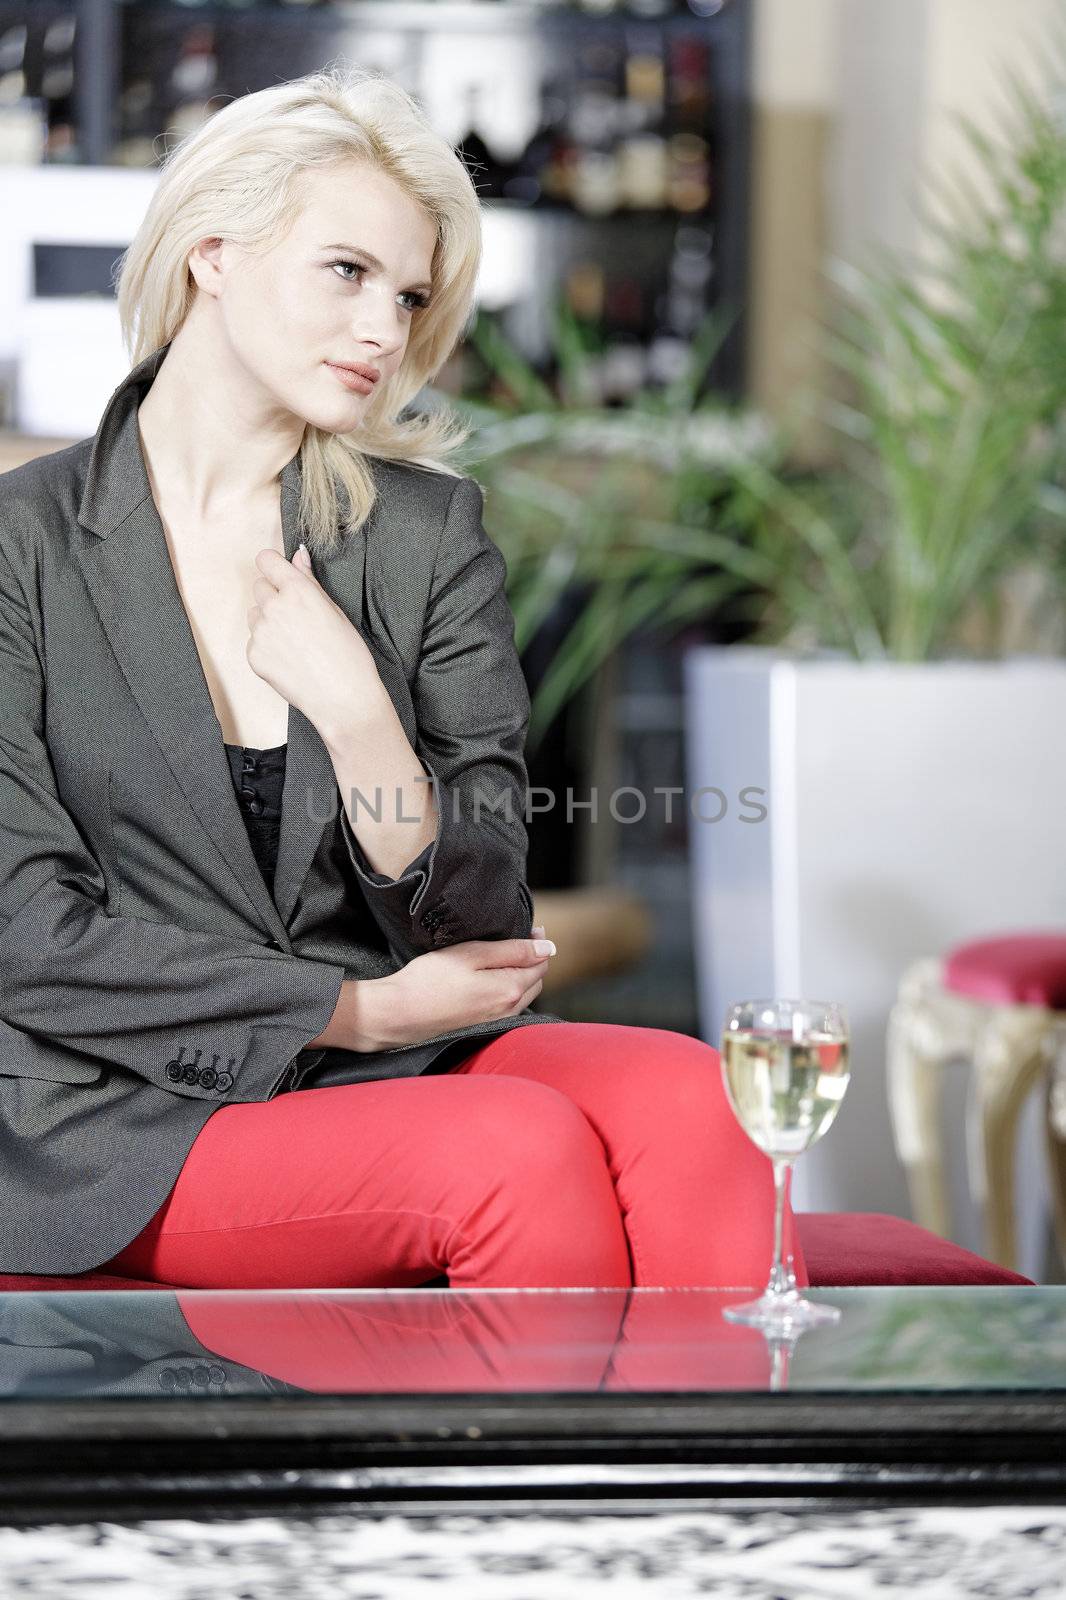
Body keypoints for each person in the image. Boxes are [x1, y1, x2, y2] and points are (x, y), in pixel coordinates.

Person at [0, 65, 807, 1293]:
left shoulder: (424, 533)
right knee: (506, 1151)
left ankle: (701, 1490)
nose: (387, 329)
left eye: (411, 293)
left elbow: (483, 923)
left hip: (385, 1060)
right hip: (111, 1104)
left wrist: (363, 719)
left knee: (702, 1104)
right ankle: (515, 1494)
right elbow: (25, 938)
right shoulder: (23, 546)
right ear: (212, 250)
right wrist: (353, 1009)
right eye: (347, 272)